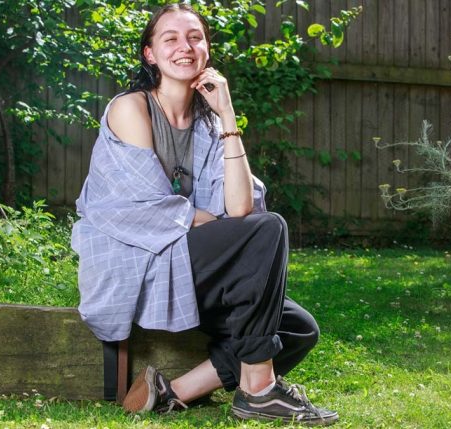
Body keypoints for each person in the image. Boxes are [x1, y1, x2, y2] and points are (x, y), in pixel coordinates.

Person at [70, 3, 338, 426]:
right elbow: (146, 208)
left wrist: (228, 116)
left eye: (195, 37)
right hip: (140, 262)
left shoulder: (209, 125)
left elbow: (240, 207)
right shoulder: (131, 109)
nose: (185, 47)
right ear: (150, 54)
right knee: (266, 230)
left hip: (191, 263)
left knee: (300, 328)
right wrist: (219, 224)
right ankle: (260, 390)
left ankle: (173, 391)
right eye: (170, 38)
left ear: (207, 49)